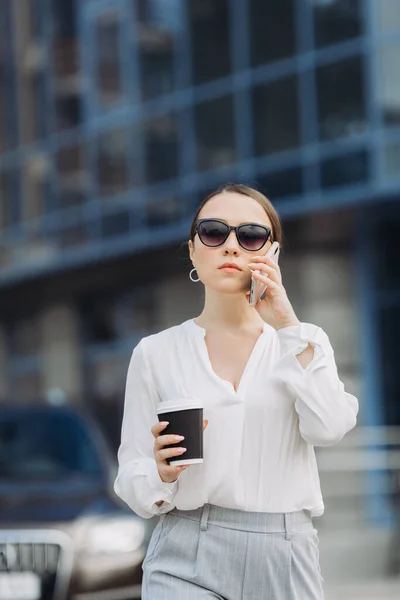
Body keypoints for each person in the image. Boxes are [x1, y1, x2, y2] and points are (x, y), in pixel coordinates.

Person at [114, 183, 359, 599]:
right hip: (186, 553)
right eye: (214, 233)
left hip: (285, 554)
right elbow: (132, 476)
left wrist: (287, 325)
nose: (231, 246)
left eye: (250, 236)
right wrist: (161, 472)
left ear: (273, 253)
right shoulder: (155, 353)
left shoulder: (303, 342)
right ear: (193, 250)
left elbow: (331, 427)